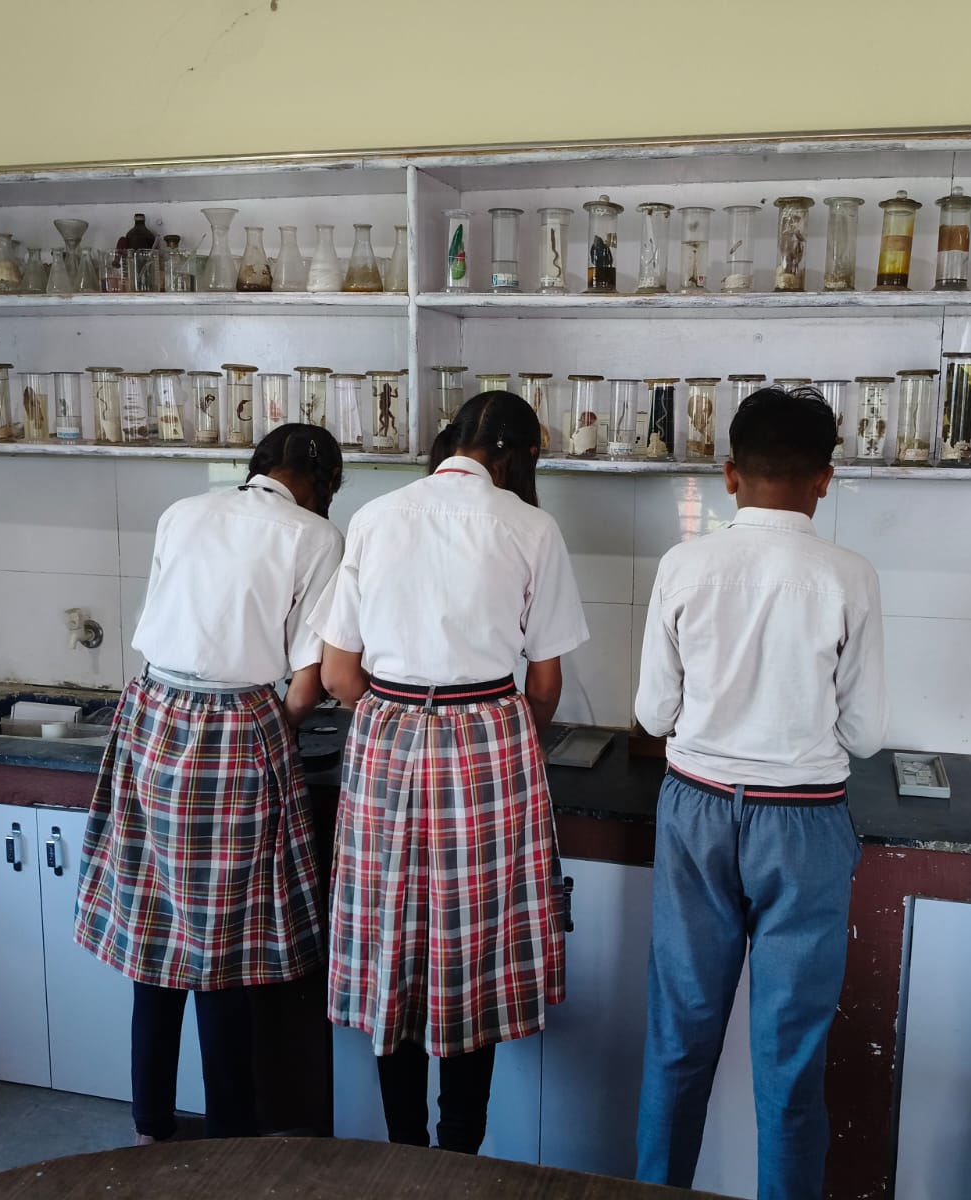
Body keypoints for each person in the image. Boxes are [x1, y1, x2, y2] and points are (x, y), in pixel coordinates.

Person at [312, 391, 588, 1155]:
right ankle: (460, 1155)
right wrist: (502, 735)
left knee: (392, 945)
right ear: (519, 455)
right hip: (488, 742)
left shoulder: (375, 516)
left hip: (386, 740)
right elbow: (545, 685)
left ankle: (405, 1152)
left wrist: (401, 718)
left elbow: (337, 674)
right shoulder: (529, 526)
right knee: (476, 950)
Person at [634, 386, 889, 1200]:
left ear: (730, 474)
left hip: (697, 811)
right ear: (825, 479)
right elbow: (866, 734)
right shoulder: (849, 575)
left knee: (679, 1040)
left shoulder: (683, 566)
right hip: (804, 823)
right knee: (790, 1059)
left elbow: (653, 715)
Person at [74, 424, 345, 1144]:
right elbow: (309, 678)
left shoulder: (183, 510)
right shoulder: (316, 535)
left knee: (157, 929)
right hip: (232, 727)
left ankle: (151, 1124)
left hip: (149, 714)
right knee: (222, 944)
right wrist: (277, 723)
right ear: (322, 481)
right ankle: (231, 1135)